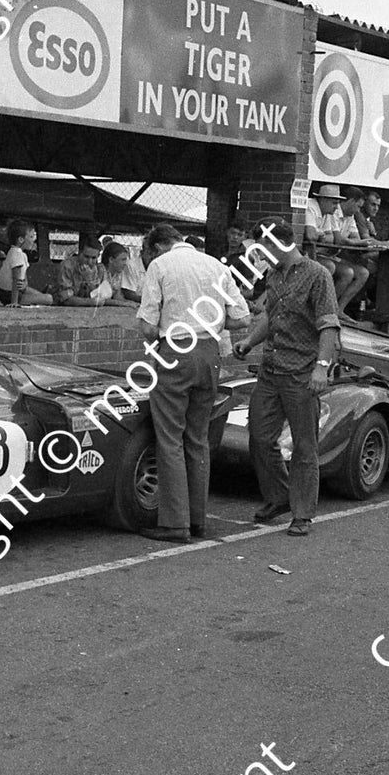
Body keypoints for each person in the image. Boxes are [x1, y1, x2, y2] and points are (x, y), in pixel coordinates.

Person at [137, 224, 250, 542]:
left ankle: (175, 523)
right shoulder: (216, 265)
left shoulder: (160, 266)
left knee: (170, 438)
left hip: (176, 352)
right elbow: (242, 318)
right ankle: (198, 518)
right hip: (210, 353)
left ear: (158, 247)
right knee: (198, 438)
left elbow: (147, 327)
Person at [233, 216, 341, 537]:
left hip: (300, 374)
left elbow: (329, 327)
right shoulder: (274, 276)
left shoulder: (318, 276)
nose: (260, 255)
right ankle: (279, 496)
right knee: (260, 436)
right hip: (271, 370)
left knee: (304, 446)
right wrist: (250, 340)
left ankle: (302, 513)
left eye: (263, 248)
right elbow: (271, 314)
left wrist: (321, 368)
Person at [57, 231, 137, 307]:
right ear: (80, 252)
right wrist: (90, 301)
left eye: (93, 258)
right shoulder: (68, 266)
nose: (89, 261)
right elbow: (65, 298)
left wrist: (89, 280)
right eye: (86, 257)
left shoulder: (94, 268)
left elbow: (97, 294)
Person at [0, 220, 52, 306]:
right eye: (30, 237)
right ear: (21, 239)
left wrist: (25, 284)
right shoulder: (17, 254)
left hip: (14, 291)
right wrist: (14, 302)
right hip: (11, 295)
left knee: (43, 296)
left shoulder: (18, 253)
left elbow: (23, 277)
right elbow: (16, 279)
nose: (33, 240)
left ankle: (37, 297)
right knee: (49, 299)